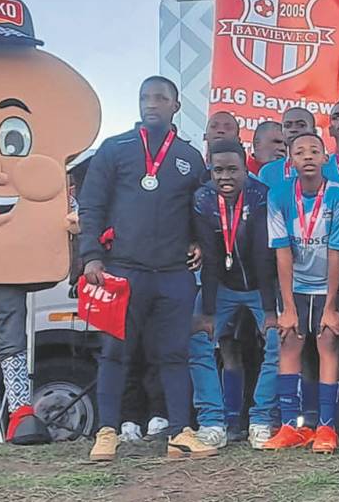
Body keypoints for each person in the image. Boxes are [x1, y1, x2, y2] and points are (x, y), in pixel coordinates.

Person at [79, 76, 215, 461]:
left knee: (174, 354)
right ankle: (107, 432)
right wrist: (91, 256)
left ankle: (180, 432)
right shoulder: (115, 148)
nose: (151, 104)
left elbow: (199, 211)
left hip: (173, 273)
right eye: (145, 97)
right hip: (123, 270)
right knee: (115, 353)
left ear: (176, 106)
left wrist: (197, 242)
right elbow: (91, 205)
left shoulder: (190, 157)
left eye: (160, 98)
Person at [266, 131, 339, 453]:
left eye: (314, 151)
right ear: (290, 160)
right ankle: (291, 426)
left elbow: (336, 252)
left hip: (330, 285)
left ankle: (327, 427)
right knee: (289, 342)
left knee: (327, 343)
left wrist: (331, 307)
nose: (307, 156)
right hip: (295, 285)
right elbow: (282, 251)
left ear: (325, 158)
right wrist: (288, 306)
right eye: (300, 151)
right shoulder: (279, 195)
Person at [188, 134, 275, 449]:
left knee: (280, 341)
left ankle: (261, 419)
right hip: (223, 286)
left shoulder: (261, 195)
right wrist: (209, 311)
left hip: (261, 287)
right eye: (218, 170)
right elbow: (211, 256)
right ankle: (212, 422)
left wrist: (270, 309)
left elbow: (264, 255)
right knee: (197, 339)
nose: (225, 177)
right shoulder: (202, 199)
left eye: (232, 170)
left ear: (246, 169)